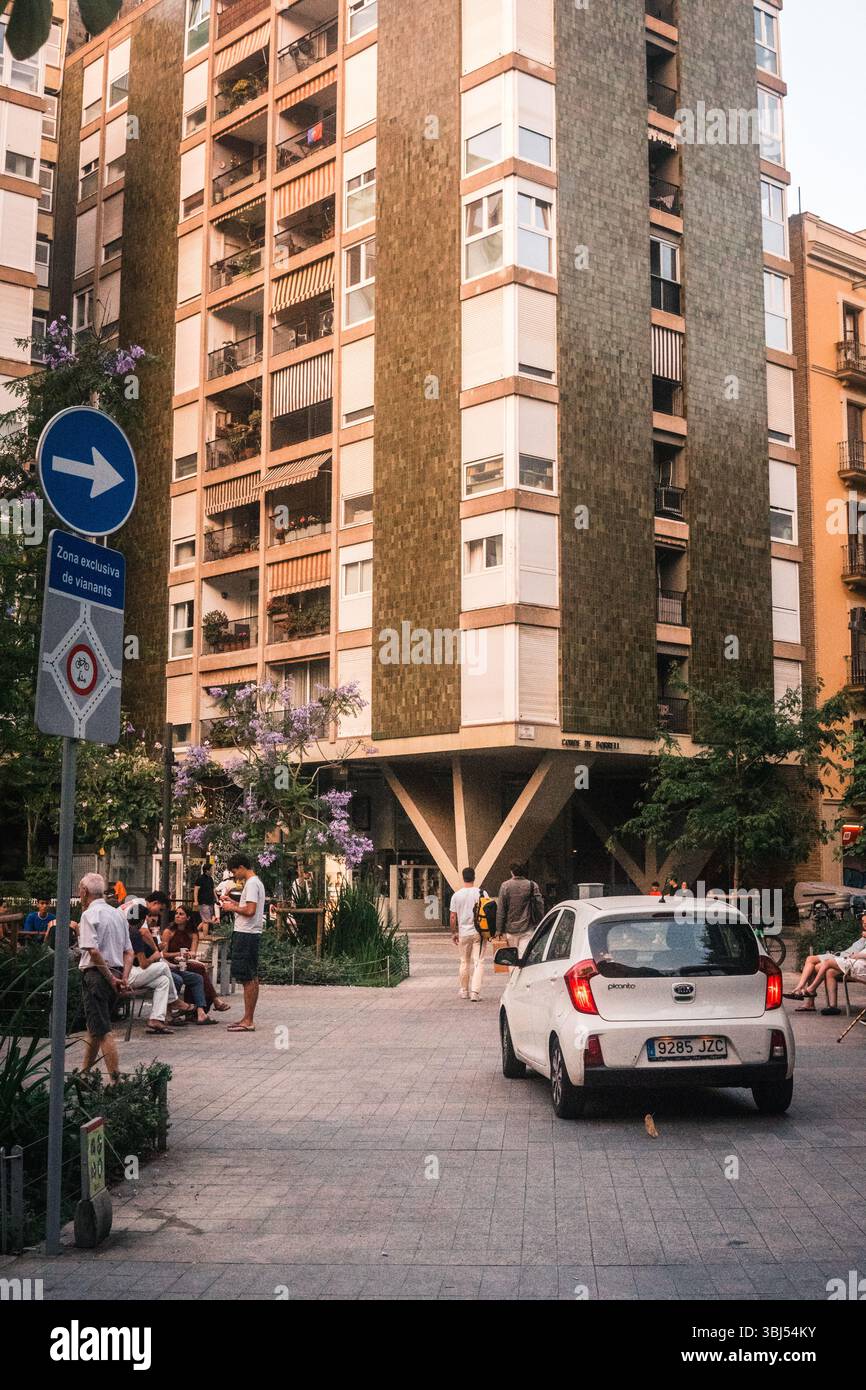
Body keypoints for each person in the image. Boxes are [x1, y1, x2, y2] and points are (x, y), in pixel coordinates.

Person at [77, 872, 134, 1079]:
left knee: (102, 1030)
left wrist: (110, 978)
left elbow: (92, 951)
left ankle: (115, 1079)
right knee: (95, 1026)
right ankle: (83, 1074)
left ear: (84, 892)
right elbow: (129, 951)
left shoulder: (88, 915)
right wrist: (123, 978)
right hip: (117, 972)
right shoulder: (118, 913)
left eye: (80, 890)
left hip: (98, 975)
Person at [125, 902, 188, 1035]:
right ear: (142, 920)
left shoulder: (127, 929)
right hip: (129, 975)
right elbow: (143, 964)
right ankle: (174, 1000)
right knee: (163, 966)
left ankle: (156, 1019)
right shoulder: (135, 934)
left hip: (127, 972)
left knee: (163, 981)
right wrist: (156, 955)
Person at [220, 853, 265, 1032]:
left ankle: (248, 1020)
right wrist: (232, 901)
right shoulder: (256, 883)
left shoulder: (252, 883)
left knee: (247, 977)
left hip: (246, 933)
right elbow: (247, 906)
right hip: (250, 933)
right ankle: (247, 1018)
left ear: (241, 867)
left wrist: (232, 907)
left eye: (234, 871)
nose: (234, 875)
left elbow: (250, 910)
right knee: (251, 975)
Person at [786, 914, 866, 1015]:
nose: (864, 925)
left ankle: (809, 993)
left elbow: (859, 953)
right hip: (843, 956)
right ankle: (804, 991)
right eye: (863, 922)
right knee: (812, 962)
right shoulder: (863, 935)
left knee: (820, 966)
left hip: (847, 960)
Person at [162, 905, 229, 1018]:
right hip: (171, 963)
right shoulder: (169, 932)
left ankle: (197, 1009)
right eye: (176, 913)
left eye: (181, 914)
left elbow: (193, 952)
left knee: (198, 970)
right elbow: (163, 954)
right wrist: (178, 954)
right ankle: (213, 1000)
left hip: (186, 962)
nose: (177, 916)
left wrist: (188, 955)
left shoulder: (193, 933)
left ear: (188, 918)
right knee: (199, 970)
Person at [450, 867, 486, 1001]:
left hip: (463, 933)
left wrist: (454, 933)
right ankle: (475, 992)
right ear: (474, 877)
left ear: (463, 877)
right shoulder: (482, 893)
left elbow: (453, 917)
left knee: (464, 961)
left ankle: (464, 991)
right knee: (479, 961)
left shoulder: (456, 895)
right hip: (479, 933)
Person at [497, 863, 544, 950]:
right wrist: (540, 923)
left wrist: (499, 930)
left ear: (512, 872)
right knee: (523, 957)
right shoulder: (532, 885)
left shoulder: (505, 886)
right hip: (528, 928)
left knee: (512, 957)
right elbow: (539, 906)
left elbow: (501, 910)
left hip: (510, 929)